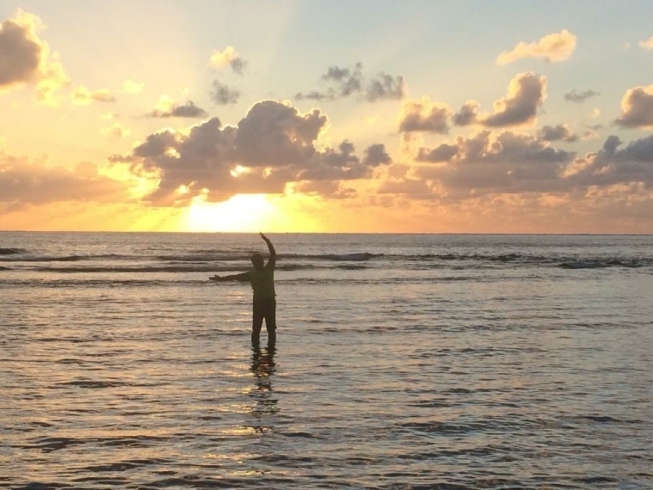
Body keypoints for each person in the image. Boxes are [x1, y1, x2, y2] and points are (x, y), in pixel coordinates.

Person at [210, 233, 277, 348]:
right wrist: (221, 279)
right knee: (256, 328)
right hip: (258, 303)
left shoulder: (269, 268)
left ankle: (271, 348)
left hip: (269, 302)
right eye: (255, 262)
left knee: (271, 328)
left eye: (259, 261)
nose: (257, 264)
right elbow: (235, 276)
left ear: (262, 261)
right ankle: (255, 349)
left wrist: (267, 241)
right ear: (253, 263)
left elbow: (273, 254)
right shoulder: (251, 274)